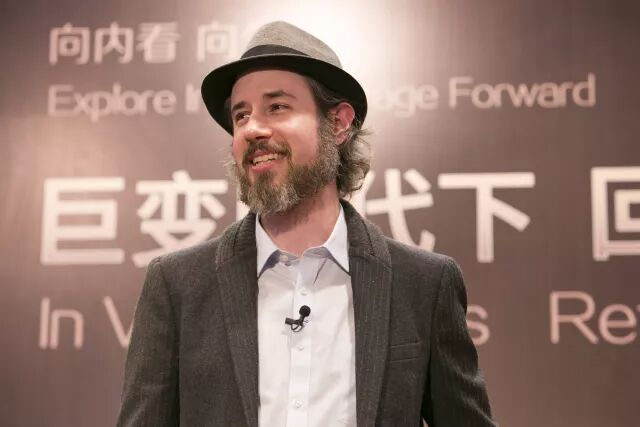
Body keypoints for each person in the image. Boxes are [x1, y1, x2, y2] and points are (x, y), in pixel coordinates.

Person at [117, 21, 495, 427]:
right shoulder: (177, 285)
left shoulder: (423, 284)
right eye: (241, 115)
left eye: (277, 107)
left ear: (338, 123)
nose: (253, 129)